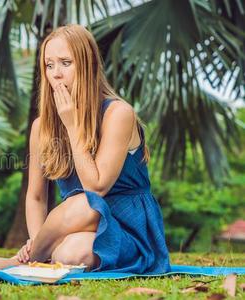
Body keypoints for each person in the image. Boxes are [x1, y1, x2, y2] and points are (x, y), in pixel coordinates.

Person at [16, 24, 170, 274]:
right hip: (73, 227)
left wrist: (72, 126)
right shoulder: (40, 127)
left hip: (125, 225)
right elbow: (36, 197)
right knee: (70, 253)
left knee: (85, 205)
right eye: (49, 65)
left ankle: (29, 260)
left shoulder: (118, 113)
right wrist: (36, 236)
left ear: (87, 66)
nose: (56, 74)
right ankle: (40, 252)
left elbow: (96, 189)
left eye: (66, 62)